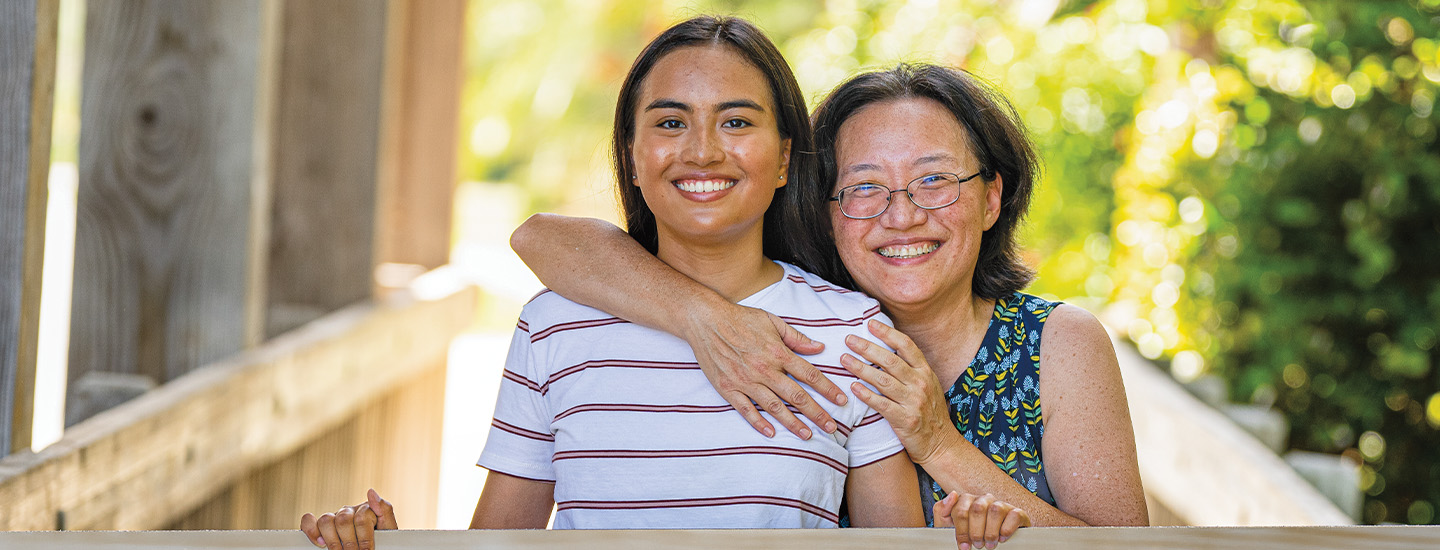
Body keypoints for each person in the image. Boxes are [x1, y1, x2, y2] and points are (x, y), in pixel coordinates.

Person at [300, 17, 1029, 550]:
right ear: (634, 153)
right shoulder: (553, 325)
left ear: (783, 159)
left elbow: (893, 548)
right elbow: (494, 546)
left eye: (737, 121)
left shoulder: (853, 331)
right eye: (671, 121)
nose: (703, 149)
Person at [510, 63, 1149, 540]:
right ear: (827, 209)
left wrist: (937, 443)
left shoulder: (1056, 342)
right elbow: (541, 237)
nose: (901, 215)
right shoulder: (809, 330)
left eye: (933, 180)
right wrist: (704, 318)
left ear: (990, 198)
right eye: (865, 187)